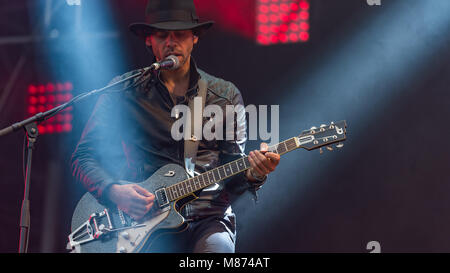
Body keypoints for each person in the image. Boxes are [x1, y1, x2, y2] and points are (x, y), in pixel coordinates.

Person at [71, 0, 280, 253]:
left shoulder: (224, 96)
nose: (171, 42)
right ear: (149, 40)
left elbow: (234, 175)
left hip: (208, 219)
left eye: (180, 34)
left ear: (194, 38)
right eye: (162, 35)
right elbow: (83, 157)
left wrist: (255, 172)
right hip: (142, 221)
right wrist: (114, 191)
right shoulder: (123, 91)